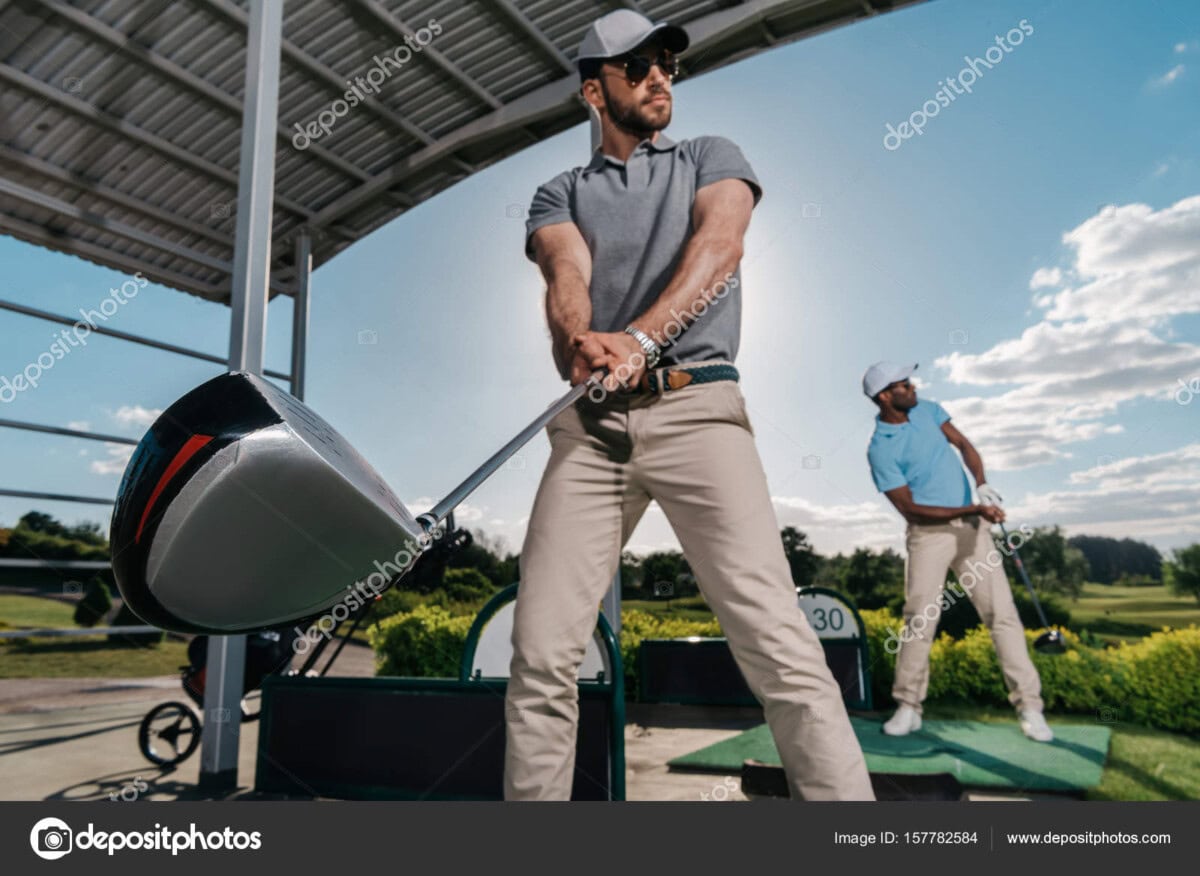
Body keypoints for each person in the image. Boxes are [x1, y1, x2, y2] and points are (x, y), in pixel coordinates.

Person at [502, 9, 875, 801]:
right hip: (592, 431)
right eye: (636, 67)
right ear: (591, 93)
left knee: (777, 643)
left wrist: (636, 338)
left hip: (697, 411)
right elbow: (564, 275)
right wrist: (582, 341)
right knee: (539, 656)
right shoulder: (558, 191)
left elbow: (721, 247)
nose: (660, 75)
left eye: (666, 62)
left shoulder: (711, 156)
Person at [862, 361, 1053, 742]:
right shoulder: (880, 449)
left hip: (973, 533)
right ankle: (909, 707)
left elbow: (964, 445)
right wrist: (972, 508)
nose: (913, 386)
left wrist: (981, 485)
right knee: (920, 618)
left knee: (1002, 615)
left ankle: (1030, 707)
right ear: (885, 396)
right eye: (904, 384)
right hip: (929, 537)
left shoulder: (927, 409)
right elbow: (911, 508)